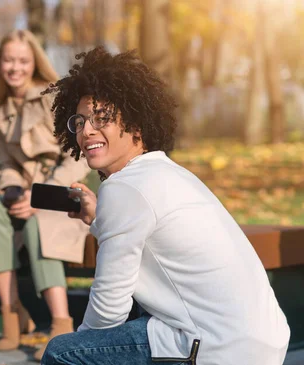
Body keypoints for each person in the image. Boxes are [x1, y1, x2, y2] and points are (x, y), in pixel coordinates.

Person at [40, 47, 290, 365]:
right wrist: (99, 217)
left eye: (102, 117)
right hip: (261, 342)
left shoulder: (124, 188)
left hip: (217, 347)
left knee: (62, 353)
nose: (87, 130)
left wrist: (83, 344)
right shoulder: (165, 172)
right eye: (80, 121)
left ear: (137, 125)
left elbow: (109, 307)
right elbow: (145, 233)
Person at [0, 29, 91, 361]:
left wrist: (41, 196)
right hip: (24, 190)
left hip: (62, 189)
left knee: (38, 222)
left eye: (23, 61)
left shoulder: (55, 96)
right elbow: (5, 161)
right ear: (0, 64)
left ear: (34, 63)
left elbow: (77, 153)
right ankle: (11, 313)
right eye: (8, 60)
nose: (15, 68)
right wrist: (13, 190)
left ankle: (61, 322)